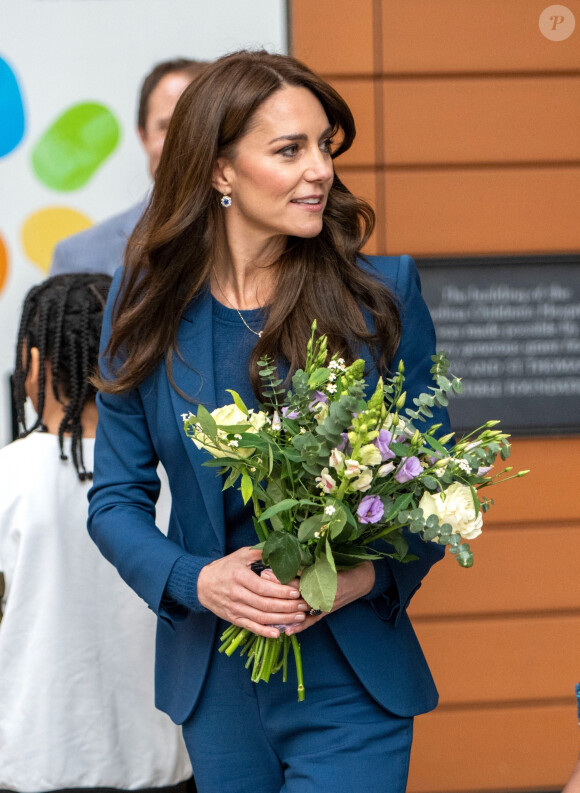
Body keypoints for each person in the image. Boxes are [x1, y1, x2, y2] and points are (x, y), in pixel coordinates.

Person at [87, 50, 452, 793]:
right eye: (289, 150)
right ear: (221, 171)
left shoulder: (381, 296)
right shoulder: (142, 299)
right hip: (216, 681)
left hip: (351, 675)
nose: (318, 169)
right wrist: (196, 580)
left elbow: (436, 487)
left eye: (324, 145)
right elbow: (113, 501)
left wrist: (364, 574)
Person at [0, 273, 193, 793]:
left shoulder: (7, 476)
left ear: (36, 361)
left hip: (32, 758)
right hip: (163, 758)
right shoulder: (176, 474)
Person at [49, 58, 207, 277]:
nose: (179, 142)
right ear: (143, 136)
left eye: (196, 125)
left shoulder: (264, 241)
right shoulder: (78, 258)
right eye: (166, 127)